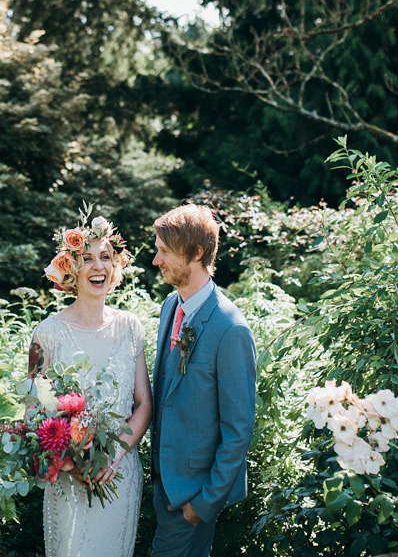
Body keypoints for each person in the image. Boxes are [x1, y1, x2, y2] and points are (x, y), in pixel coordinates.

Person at [30, 214, 153, 557]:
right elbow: (32, 412)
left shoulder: (130, 327)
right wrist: (73, 463)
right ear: (71, 268)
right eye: (87, 258)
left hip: (120, 475)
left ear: (115, 266)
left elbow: (144, 404)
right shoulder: (46, 334)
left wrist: (113, 454)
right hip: (69, 479)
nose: (98, 266)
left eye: (106, 257)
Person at [149, 203, 256, 557]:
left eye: (164, 252)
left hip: (193, 496)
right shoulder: (170, 306)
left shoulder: (231, 329)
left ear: (195, 253)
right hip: (164, 485)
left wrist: (204, 504)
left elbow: (238, 430)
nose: (155, 260)